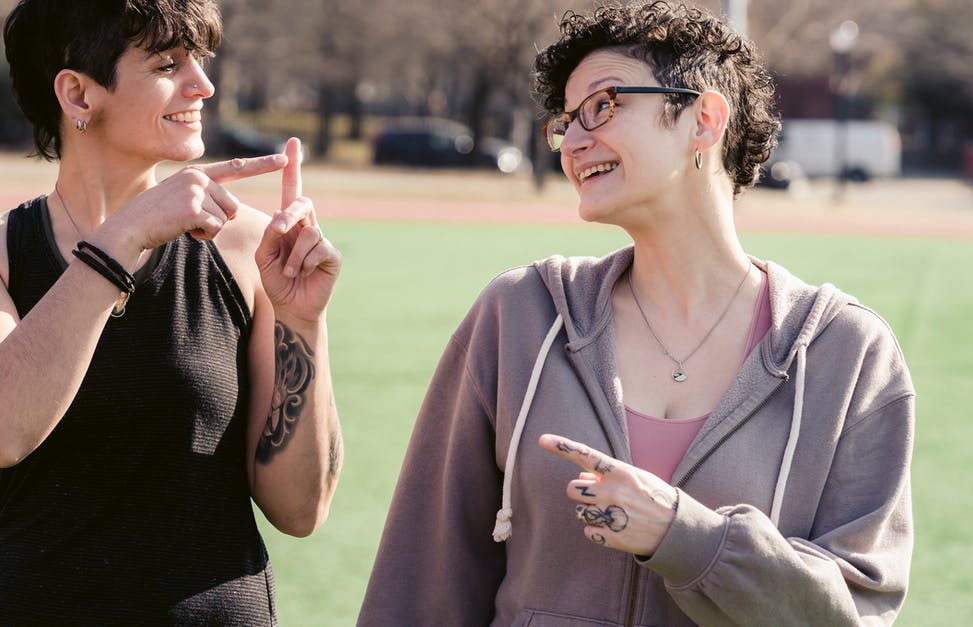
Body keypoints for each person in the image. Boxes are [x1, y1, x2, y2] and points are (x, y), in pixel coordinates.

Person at [359, 2, 913, 625]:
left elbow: (854, 611)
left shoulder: (848, 352)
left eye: (603, 105)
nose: (573, 141)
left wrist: (685, 537)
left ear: (704, 120)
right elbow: (419, 583)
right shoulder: (519, 317)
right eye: (566, 121)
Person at [0, 1, 343, 623]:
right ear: (78, 93)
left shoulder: (249, 248)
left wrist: (302, 320)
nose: (203, 85)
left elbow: (301, 511)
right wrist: (121, 239)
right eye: (168, 64)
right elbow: (0, 433)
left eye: (199, 60)